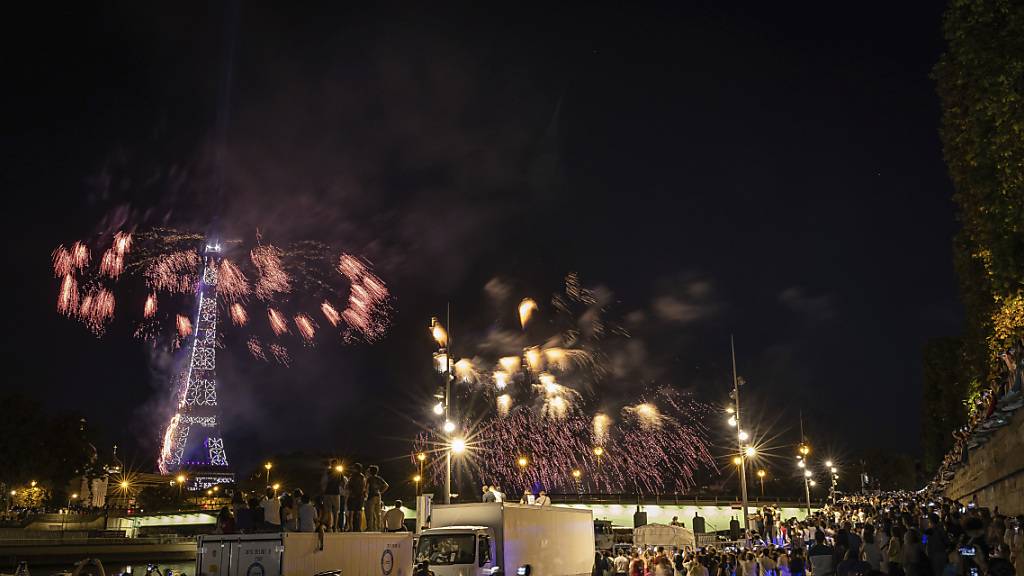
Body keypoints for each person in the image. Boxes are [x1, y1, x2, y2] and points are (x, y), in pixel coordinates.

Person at [322, 459, 345, 532]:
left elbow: (324, 482)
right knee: (336, 511)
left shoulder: (327, 472)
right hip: (336, 493)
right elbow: (343, 483)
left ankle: (329, 527)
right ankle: (335, 527)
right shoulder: (339, 473)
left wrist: (324, 490)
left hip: (328, 492)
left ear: (331, 464)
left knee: (329, 510)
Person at [366, 465, 390, 531]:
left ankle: (370, 528)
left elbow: (367, 488)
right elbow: (386, 485)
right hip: (378, 496)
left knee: (370, 514)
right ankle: (379, 528)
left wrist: (366, 494)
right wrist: (381, 492)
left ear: (370, 472)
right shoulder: (379, 478)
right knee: (378, 513)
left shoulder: (369, 479)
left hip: (371, 496)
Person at [347, 463, 366, 532]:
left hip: (352, 496)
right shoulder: (362, 477)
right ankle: (359, 527)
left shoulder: (352, 477)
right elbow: (364, 487)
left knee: (351, 512)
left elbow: (348, 486)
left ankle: (350, 527)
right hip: (360, 497)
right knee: (359, 512)